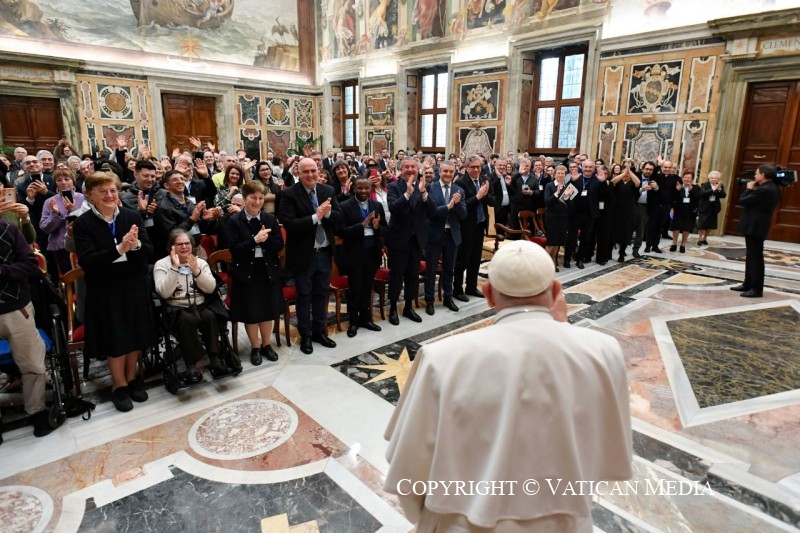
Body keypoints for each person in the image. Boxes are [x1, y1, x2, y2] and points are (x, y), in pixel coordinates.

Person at [384, 240, 632, 532]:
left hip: (463, 523)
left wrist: (426, 520)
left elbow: (409, 468)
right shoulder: (604, 351)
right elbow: (606, 451)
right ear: (555, 291)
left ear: (488, 294)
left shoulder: (440, 358)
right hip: (564, 522)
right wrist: (564, 330)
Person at [74, 172, 155, 412]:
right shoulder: (83, 223)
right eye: (103, 191)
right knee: (116, 338)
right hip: (106, 289)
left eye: (112, 190)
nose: (110, 195)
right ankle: (119, 385)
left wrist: (135, 244)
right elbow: (88, 262)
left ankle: (132, 378)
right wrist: (119, 248)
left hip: (134, 283)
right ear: (90, 195)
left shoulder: (131, 216)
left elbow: (149, 251)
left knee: (135, 334)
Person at [278, 158, 341, 354]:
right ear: (298, 172)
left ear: (318, 170)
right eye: (306, 171)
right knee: (304, 295)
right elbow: (289, 224)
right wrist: (316, 216)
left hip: (324, 252)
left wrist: (328, 214)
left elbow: (340, 217)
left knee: (322, 293)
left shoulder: (327, 190)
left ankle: (319, 331)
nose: (311, 175)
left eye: (313, 170)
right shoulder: (289, 194)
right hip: (303, 255)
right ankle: (305, 335)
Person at [154, 229, 233, 382]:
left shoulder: (200, 263)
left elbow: (210, 288)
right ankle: (191, 365)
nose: (184, 247)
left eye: (187, 243)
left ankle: (215, 359)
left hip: (200, 305)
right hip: (177, 308)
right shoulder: (161, 264)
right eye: (179, 244)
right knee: (187, 320)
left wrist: (196, 271)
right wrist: (174, 268)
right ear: (171, 247)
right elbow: (163, 293)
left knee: (209, 316)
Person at [0, 219, 53, 442]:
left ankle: (37, 410)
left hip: (15, 307)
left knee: (33, 365)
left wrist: (3, 270)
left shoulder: (7, 228)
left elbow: (31, 264)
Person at [225, 181, 284, 364]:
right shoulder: (234, 221)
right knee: (251, 312)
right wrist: (254, 240)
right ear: (244, 198)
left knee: (267, 310)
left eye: (261, 198)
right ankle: (255, 347)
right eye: (253, 198)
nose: (257, 202)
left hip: (267, 270)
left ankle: (266, 345)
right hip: (246, 271)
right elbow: (235, 250)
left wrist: (265, 240)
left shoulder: (269, 219)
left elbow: (279, 245)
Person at [386, 158, 435, 325]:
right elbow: (393, 208)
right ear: (401, 170)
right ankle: (393, 307)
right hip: (399, 239)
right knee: (396, 275)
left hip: (416, 240)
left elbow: (433, 210)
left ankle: (408, 306)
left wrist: (423, 192)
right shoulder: (394, 186)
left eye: (413, 167)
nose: (410, 169)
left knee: (412, 275)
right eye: (406, 167)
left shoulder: (425, 186)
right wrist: (407, 194)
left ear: (417, 169)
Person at [337, 176, 386, 337]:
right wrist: (362, 225)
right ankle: (353, 322)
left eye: (366, 188)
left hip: (372, 252)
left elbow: (385, 229)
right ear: (354, 189)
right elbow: (341, 232)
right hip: (354, 254)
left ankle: (366, 319)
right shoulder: (344, 206)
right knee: (355, 289)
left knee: (367, 288)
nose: (364, 191)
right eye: (360, 188)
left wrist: (377, 228)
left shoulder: (377, 205)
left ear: (370, 189)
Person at [731, 164, 781, 298]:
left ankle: (756, 288)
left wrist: (748, 189)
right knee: (751, 256)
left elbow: (742, 201)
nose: (754, 176)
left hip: (756, 226)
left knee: (755, 258)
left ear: (763, 175)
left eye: (757, 173)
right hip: (755, 225)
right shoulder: (770, 187)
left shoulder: (765, 189)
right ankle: (748, 283)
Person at [424, 161, 466, 315]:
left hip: (452, 235)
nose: (448, 174)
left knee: (449, 269)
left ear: (454, 173)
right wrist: (449, 206)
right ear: (439, 172)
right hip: (434, 235)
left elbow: (463, 215)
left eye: (451, 172)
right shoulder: (430, 187)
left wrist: (457, 204)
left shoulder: (459, 190)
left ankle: (448, 298)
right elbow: (431, 212)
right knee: (431, 270)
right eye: (445, 171)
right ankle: (429, 301)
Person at [453, 155, 494, 300]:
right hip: (466, 226)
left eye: (478, 167)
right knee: (462, 260)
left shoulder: (484, 180)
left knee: (476, 259)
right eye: (473, 167)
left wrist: (485, 195)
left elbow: (493, 202)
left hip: (480, 225)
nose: (476, 170)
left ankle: (471, 287)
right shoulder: (460, 182)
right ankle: (457, 290)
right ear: (467, 168)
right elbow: (461, 205)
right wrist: (478, 196)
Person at [39, 167, 85, 274]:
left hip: (82, 243)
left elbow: (89, 222)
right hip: (60, 246)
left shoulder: (83, 198)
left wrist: (73, 211)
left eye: (67, 179)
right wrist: (56, 214)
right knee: (68, 276)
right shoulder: (49, 201)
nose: (63, 182)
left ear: (73, 180)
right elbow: (44, 227)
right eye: (59, 180)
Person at [543, 165, 575, 270]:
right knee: (551, 242)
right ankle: (544, 264)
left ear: (565, 175)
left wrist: (567, 197)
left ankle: (552, 261)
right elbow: (547, 202)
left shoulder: (568, 187)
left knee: (558, 242)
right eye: (558, 173)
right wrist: (556, 193)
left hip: (563, 218)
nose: (560, 175)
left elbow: (571, 206)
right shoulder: (549, 186)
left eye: (562, 173)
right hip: (551, 217)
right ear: (555, 174)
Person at [669, 172, 699, 253]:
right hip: (678, 210)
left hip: (690, 211)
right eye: (685, 177)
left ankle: (683, 245)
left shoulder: (696, 188)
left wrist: (691, 190)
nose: (686, 179)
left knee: (687, 228)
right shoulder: (679, 186)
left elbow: (698, 198)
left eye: (688, 178)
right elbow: (672, 198)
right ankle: (674, 244)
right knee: (676, 227)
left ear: (692, 179)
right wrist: (677, 190)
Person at [696, 170, 726, 246]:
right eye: (712, 178)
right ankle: (700, 238)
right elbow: (703, 193)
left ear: (718, 179)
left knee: (710, 225)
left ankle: (704, 238)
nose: (713, 179)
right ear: (709, 178)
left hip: (714, 208)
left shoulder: (720, 185)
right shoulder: (704, 185)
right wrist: (713, 189)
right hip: (704, 207)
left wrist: (719, 190)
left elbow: (723, 195)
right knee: (702, 224)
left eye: (715, 178)